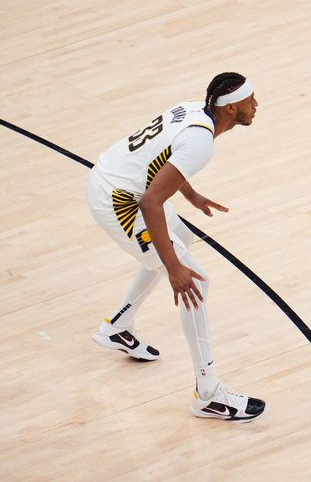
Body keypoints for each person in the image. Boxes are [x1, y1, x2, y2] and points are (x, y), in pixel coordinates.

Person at [85, 72, 266, 421]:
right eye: (249, 100)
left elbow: (164, 159)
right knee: (193, 280)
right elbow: (151, 203)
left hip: (117, 177)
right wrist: (173, 270)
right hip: (120, 200)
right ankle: (209, 395)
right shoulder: (202, 143)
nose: (255, 104)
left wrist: (190, 194)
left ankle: (117, 327)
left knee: (180, 241)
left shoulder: (193, 109)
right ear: (229, 109)